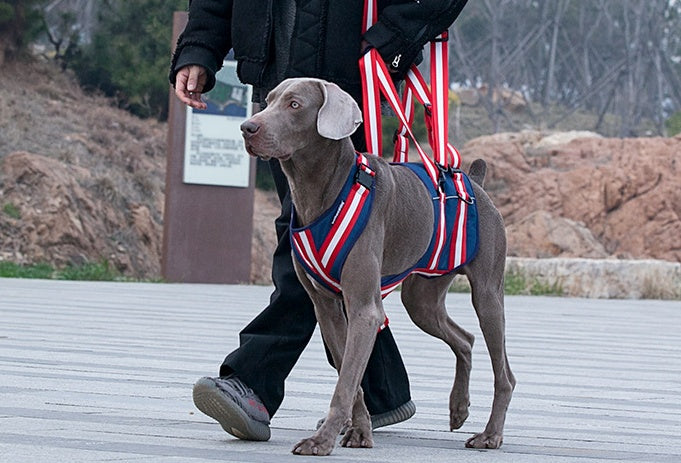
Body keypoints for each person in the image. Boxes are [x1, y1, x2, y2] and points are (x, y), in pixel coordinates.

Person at [169, 0, 469, 442]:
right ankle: (381, 390)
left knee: (312, 248)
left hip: (345, 94)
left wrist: (387, 42)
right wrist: (200, 46)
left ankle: (253, 381)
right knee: (322, 250)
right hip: (277, 85)